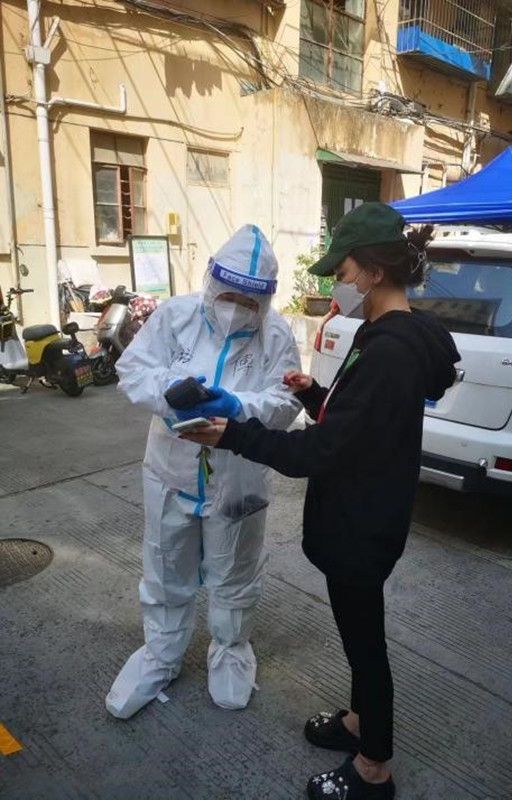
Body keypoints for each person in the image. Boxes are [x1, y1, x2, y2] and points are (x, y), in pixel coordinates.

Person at [180, 203, 460, 800]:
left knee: (366, 645)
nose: (340, 283)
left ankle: (373, 769)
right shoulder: (383, 334)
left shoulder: (390, 351)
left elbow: (322, 452)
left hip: (363, 522)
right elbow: (361, 422)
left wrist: (234, 434)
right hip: (365, 510)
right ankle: (359, 723)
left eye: (345, 270)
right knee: (358, 637)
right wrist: (317, 395)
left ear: (375, 272)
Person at [105, 225, 302, 719]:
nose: (236, 308)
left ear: (265, 301)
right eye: (228, 295)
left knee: (234, 573)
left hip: (239, 479)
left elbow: (286, 402)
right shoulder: (175, 316)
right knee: (164, 568)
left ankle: (231, 651)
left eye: (249, 301)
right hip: (169, 471)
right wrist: (173, 395)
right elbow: (132, 369)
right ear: (212, 284)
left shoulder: (276, 334)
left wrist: (237, 406)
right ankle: (160, 656)